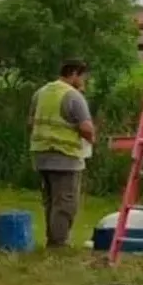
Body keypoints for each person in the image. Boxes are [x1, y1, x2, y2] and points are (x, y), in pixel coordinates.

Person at [27, 59, 95, 248]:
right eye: (83, 77)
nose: (84, 82)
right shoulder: (73, 96)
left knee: (50, 202)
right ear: (74, 74)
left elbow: (30, 123)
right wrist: (92, 140)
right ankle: (59, 243)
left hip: (41, 155)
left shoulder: (41, 93)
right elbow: (86, 128)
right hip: (65, 157)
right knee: (65, 203)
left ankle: (53, 239)